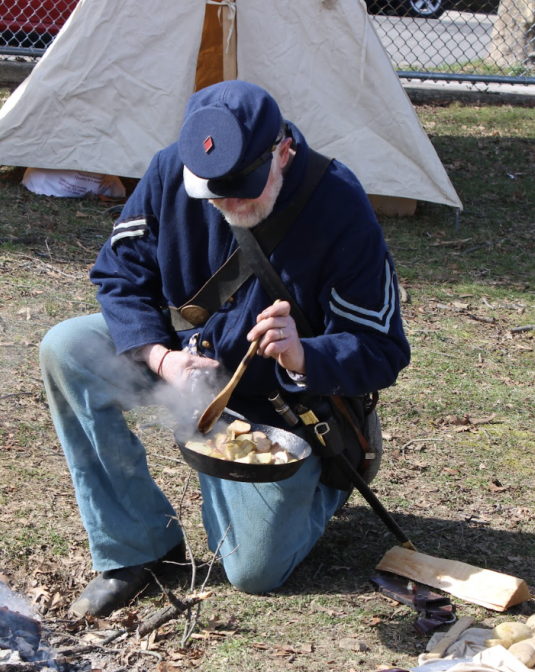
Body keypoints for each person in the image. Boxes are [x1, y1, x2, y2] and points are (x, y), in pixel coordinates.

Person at [39, 80, 410, 618]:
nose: (228, 202)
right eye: (213, 192)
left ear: (282, 152)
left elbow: (382, 349)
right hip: (183, 365)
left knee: (252, 572)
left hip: (276, 405)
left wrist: (305, 353)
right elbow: (119, 275)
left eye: (244, 187)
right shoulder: (173, 169)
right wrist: (162, 359)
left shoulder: (339, 204)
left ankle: (326, 484)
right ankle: (138, 550)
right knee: (68, 347)